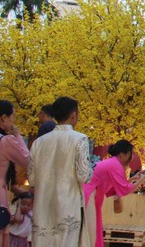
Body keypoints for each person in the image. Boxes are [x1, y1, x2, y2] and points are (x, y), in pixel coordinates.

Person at [29, 96, 93, 247]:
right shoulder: (80, 139)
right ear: (73, 115)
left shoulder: (39, 142)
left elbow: (32, 179)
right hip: (68, 206)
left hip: (43, 207)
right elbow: (84, 175)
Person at [84, 140, 145, 247]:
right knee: (91, 232)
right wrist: (142, 179)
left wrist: (133, 178)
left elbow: (117, 186)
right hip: (91, 195)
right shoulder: (115, 165)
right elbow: (125, 190)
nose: (131, 157)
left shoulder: (113, 162)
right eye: (130, 154)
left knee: (93, 230)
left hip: (92, 194)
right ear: (122, 154)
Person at [0, 101, 30, 247]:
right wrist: (17, 136)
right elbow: (27, 160)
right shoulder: (5, 141)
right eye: (13, 117)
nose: (13, 122)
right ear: (3, 118)